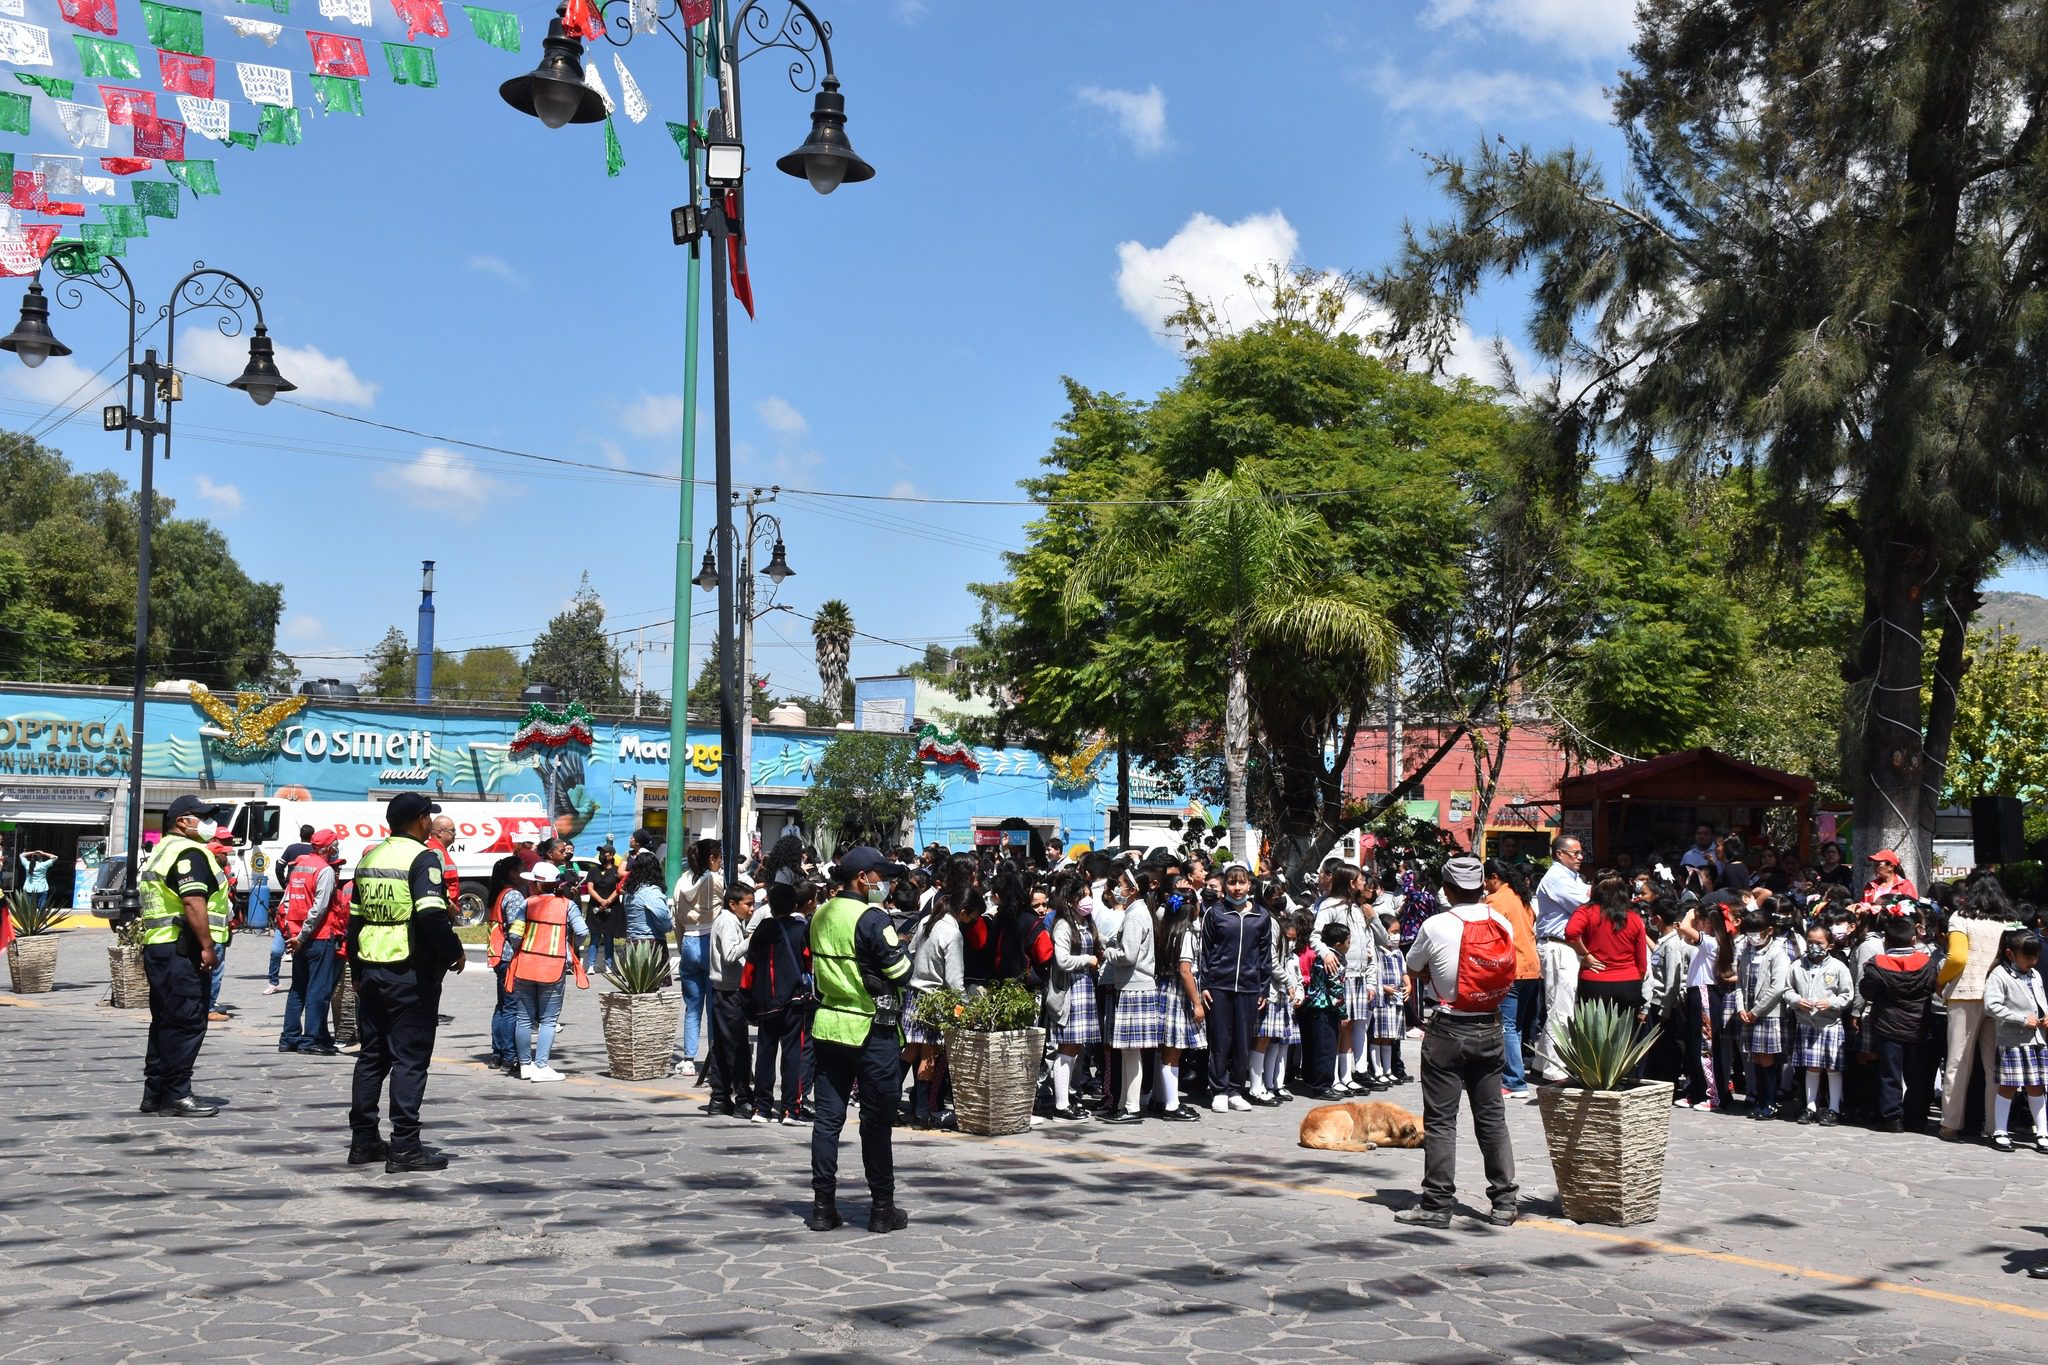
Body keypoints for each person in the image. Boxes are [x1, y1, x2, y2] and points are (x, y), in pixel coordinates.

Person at [1396, 855, 1519, 1229]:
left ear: (1447, 890)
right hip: (1490, 1028)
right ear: (1481, 886)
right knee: (1492, 1117)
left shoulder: (1436, 925)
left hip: (1447, 1030)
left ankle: (1436, 1204)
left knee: (1441, 1121)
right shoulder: (1501, 922)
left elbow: (1413, 967)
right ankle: (1504, 1201)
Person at [347, 793, 465, 1172]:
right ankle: (405, 1147)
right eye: (428, 816)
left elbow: (354, 921)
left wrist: (356, 969)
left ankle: (364, 1140)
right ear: (419, 820)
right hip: (408, 972)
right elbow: (431, 916)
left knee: (371, 1057)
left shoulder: (371, 857)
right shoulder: (422, 858)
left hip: (371, 967)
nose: (431, 822)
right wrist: (454, 951)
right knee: (409, 1060)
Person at [806, 847, 914, 1234]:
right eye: (881, 876)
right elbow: (900, 972)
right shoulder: (872, 917)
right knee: (875, 1123)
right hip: (872, 1030)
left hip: (829, 1025)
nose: (885, 883)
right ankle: (882, 1209)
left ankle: (822, 1207)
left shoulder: (821, 913)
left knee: (827, 1120)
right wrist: (901, 947)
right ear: (863, 877)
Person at [136, 795, 233, 1119]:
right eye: (201, 817)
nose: (208, 823)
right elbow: (193, 901)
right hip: (184, 949)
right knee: (188, 1022)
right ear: (182, 821)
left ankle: (155, 1093)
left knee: (164, 1021)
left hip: (159, 947)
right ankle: (177, 1094)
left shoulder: (160, 850)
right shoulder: (188, 852)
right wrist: (206, 945)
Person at [1936, 876, 2021, 1142]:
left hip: (1965, 993)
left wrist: (1940, 982)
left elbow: (1957, 957)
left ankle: (1950, 1124)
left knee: (1958, 1062)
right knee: (1994, 1066)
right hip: (2001, 997)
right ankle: (1995, 1125)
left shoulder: (1961, 918)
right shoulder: (2010, 921)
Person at [504, 861, 588, 1082]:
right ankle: (541, 1066)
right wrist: (572, 948)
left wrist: (519, 949)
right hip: (553, 968)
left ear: (536, 884)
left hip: (525, 966)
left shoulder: (527, 903)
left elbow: (515, 935)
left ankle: (525, 1065)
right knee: (548, 1021)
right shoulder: (567, 905)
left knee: (523, 1019)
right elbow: (582, 931)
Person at [1859, 903, 1939, 1133]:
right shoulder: (1927, 963)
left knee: (1889, 1074)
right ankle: (1916, 1118)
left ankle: (1892, 1117)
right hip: (1918, 1026)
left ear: (1886, 941)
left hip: (1888, 1026)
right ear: (1913, 939)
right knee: (1917, 1075)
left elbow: (1867, 992)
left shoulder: (1877, 965)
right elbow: (1932, 988)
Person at [1200, 863, 1273, 1111]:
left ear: (1249, 885)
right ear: (1225, 886)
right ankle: (1218, 1089)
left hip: (1249, 987)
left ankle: (1235, 1089)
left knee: (1243, 1041)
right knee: (1221, 1039)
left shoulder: (1261, 916)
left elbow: (1265, 956)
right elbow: (1205, 951)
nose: (1237, 887)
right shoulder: (1215, 913)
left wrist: (1263, 988)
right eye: (1232, 882)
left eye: (1242, 882)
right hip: (1219, 985)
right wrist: (1205, 984)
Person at [1099, 865, 1161, 1125]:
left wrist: (1108, 950)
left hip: (1135, 986)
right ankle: (1126, 1103)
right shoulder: (1136, 910)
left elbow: (1128, 956)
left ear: (1133, 889)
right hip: (1135, 986)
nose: (1117, 888)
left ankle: (1132, 1107)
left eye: (1121, 883)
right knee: (1128, 1051)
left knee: (1131, 1051)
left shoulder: (1136, 915)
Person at [746, 882, 812, 1125]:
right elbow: (809, 963)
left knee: (765, 1053)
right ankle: (791, 1109)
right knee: (794, 1054)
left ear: (770, 905)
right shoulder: (800, 930)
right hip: (793, 1001)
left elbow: (750, 967)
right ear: (795, 905)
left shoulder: (762, 930)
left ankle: (761, 1108)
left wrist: (746, 998)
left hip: (765, 1002)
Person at [277, 828, 344, 1056]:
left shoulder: (299, 866)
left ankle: (289, 1038)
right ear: (327, 847)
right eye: (335, 844)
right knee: (318, 990)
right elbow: (319, 907)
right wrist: (303, 935)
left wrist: (292, 936)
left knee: (298, 988)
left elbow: (286, 902)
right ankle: (311, 1039)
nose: (337, 848)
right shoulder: (323, 870)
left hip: (297, 937)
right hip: (317, 936)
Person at [1530, 835, 1592, 1084]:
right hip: (1559, 946)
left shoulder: (1572, 877)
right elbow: (1586, 903)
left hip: (1568, 947)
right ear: (1559, 854)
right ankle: (1555, 1069)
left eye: (1580, 853)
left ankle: (1540, 1062)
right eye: (1574, 853)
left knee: (1560, 1004)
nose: (1580, 857)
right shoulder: (1557, 877)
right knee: (1562, 1006)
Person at [1982, 929, 2048, 1154]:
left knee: (2036, 1086)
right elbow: (1991, 1006)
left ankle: (2042, 1132)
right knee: (2008, 1086)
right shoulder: (1999, 974)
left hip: (2037, 1040)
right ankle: (2000, 1131)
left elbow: (2040, 1000)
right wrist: (2021, 1019)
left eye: (2035, 956)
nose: (2033, 961)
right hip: (2012, 1041)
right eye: (2028, 957)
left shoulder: (2035, 975)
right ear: (2011, 954)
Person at [1045, 878, 1100, 1120]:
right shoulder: (1063, 926)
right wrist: (1087, 960)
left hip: (1085, 988)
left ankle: (1069, 1097)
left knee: (1076, 1048)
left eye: (1089, 894)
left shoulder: (1086, 923)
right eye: (1082, 895)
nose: (1088, 900)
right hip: (1070, 991)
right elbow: (1063, 960)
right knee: (1066, 1049)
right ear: (1070, 900)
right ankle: (1060, 1105)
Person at [1485, 859, 1541, 1098]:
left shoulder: (1497, 901)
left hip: (1512, 969)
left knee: (1507, 1026)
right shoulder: (1521, 897)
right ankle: (1514, 1076)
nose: (1484, 885)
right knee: (1516, 1026)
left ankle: (1514, 1081)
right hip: (1531, 968)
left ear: (1494, 877)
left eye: (1486, 879)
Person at [1788, 923, 1853, 1125]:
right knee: (1812, 1066)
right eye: (1811, 942)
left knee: (1832, 1067)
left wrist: (1831, 1003)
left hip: (1830, 1023)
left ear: (1829, 944)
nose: (1814, 946)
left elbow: (1847, 995)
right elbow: (1787, 990)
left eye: (1819, 942)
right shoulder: (1797, 966)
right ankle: (1810, 1106)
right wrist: (1797, 1000)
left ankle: (1834, 1108)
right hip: (1807, 1023)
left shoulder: (1838, 967)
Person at [704, 879, 758, 1117]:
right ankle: (741, 1098)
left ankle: (720, 1097)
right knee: (736, 1046)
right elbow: (729, 954)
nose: (752, 909)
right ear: (733, 904)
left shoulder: (731, 921)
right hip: (729, 992)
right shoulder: (727, 922)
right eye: (748, 904)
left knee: (724, 1046)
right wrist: (751, 941)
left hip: (725, 991)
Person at [1565, 876, 1649, 1020]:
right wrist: (1635, 980)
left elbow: (1571, 932)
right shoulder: (1634, 917)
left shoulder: (1586, 911)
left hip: (1594, 981)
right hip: (1628, 983)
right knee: (1625, 1037)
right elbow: (1642, 961)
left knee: (1593, 1037)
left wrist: (1585, 954)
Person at [673, 837, 722, 1080]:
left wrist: (682, 945)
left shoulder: (681, 881)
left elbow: (677, 918)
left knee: (692, 1007)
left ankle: (688, 1059)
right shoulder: (716, 881)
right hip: (709, 941)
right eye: (719, 858)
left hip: (689, 942)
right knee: (714, 1006)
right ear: (712, 858)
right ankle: (714, 1057)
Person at [1252, 906, 1305, 1104]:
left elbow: (1298, 980)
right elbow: (1273, 965)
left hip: (1283, 998)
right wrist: (1288, 982)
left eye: (1294, 939)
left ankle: (1272, 1084)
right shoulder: (1274, 950)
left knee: (1275, 1041)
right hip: (1272, 994)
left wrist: (1297, 991)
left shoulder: (1292, 958)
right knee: (1262, 1040)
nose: (1291, 943)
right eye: (1288, 938)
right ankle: (1256, 1087)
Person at [583, 847, 622, 975]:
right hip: (595, 908)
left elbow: (619, 889)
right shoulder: (593, 870)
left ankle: (609, 965)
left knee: (609, 938)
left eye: (604, 853)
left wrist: (608, 901)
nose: (601, 855)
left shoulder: (617, 871)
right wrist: (601, 900)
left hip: (612, 908)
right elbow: (590, 888)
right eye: (600, 853)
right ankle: (591, 965)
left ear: (611, 855)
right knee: (594, 937)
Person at [17, 848, 53, 912]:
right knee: (42, 908)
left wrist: (34, 852)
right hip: (42, 888)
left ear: (32, 858)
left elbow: (21, 855)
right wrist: (43, 853)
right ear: (41, 858)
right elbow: (55, 857)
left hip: (29, 888)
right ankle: (43, 922)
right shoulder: (43, 865)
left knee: (30, 909)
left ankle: (30, 921)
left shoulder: (27, 864)